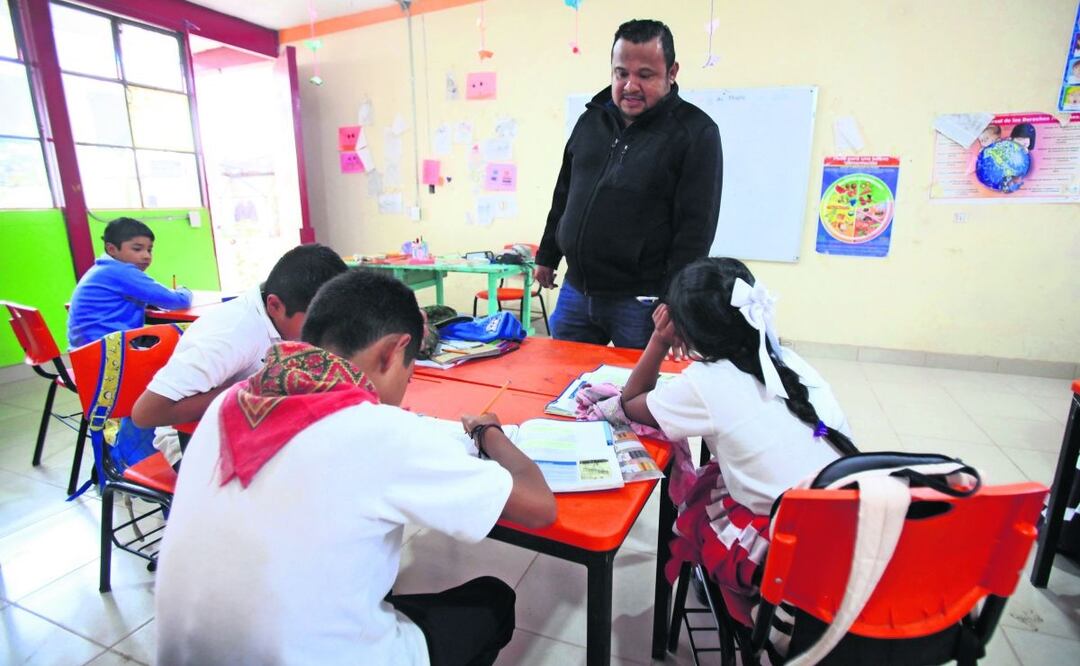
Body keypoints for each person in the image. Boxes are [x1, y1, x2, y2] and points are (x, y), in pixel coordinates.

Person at [155, 269, 556, 665]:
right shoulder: (383, 432)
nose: (406, 384)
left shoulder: (227, 404)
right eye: (410, 370)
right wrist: (489, 433)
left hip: (187, 654)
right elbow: (539, 508)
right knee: (493, 600)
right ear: (392, 351)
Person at [619, 257, 856, 597]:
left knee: (700, 496)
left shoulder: (703, 383)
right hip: (845, 518)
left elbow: (631, 403)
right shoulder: (790, 360)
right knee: (725, 468)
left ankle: (722, 577)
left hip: (786, 550)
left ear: (685, 328)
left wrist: (658, 340)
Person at [535, 18, 723, 349]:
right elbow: (565, 191)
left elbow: (695, 230)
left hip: (642, 302)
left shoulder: (695, 133)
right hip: (576, 292)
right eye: (621, 73)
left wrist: (675, 302)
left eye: (645, 75)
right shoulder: (591, 120)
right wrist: (548, 254)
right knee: (561, 388)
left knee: (635, 396)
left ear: (672, 72)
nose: (630, 85)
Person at [131, 243, 348, 466]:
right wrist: (253, 388)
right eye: (315, 324)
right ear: (274, 305)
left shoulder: (288, 313)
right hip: (192, 441)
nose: (323, 332)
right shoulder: (230, 335)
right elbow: (146, 414)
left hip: (256, 425)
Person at [67, 217, 192, 348]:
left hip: (85, 350)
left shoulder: (103, 269)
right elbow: (177, 301)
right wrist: (184, 290)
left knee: (165, 341)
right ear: (112, 249)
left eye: (149, 249)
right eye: (137, 249)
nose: (146, 256)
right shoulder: (121, 271)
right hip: (107, 353)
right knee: (181, 343)